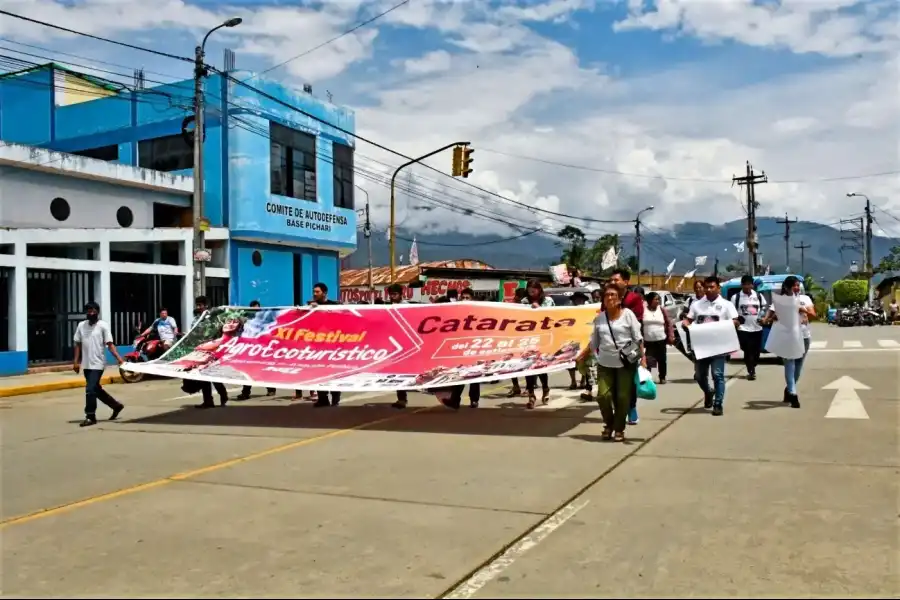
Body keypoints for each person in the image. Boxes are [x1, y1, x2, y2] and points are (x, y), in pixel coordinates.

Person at [587, 283, 645, 442]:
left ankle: (618, 429)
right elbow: (594, 342)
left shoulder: (628, 315)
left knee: (622, 397)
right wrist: (581, 355)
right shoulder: (599, 318)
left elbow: (638, 338)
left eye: (613, 295)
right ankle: (609, 424)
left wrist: (643, 360)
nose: (610, 298)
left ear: (619, 299)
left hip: (626, 364)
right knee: (603, 395)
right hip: (605, 363)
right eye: (607, 295)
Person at [682, 276, 739, 416]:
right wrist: (685, 324)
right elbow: (688, 320)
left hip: (719, 347)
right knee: (700, 376)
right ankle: (708, 392)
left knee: (717, 375)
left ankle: (718, 404)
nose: (708, 289)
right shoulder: (697, 305)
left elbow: (736, 321)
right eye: (706, 287)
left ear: (718, 288)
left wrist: (731, 325)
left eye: (712, 287)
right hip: (701, 347)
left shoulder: (727, 305)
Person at [762, 276, 815, 409]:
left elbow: (813, 314)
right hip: (787, 337)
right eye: (794, 285)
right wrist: (768, 319)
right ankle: (793, 393)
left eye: (798, 285)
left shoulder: (805, 299)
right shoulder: (780, 301)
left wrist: (802, 310)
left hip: (804, 336)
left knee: (798, 367)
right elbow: (771, 317)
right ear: (786, 287)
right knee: (789, 365)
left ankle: (789, 388)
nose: (796, 288)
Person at [74, 302, 126, 427]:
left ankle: (90, 416)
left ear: (97, 312)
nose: (91, 313)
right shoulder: (81, 326)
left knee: (90, 389)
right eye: (88, 311)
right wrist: (76, 362)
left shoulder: (103, 326)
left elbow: (110, 344)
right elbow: (77, 343)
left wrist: (119, 359)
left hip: (98, 363)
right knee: (95, 389)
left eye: (93, 311)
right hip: (86, 364)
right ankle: (116, 406)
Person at [608, 268, 643, 424]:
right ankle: (618, 409)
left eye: (616, 280)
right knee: (613, 382)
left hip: (630, 346)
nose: (613, 283)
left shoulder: (634, 299)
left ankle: (631, 407)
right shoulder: (608, 297)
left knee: (629, 380)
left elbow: (637, 321)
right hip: (610, 346)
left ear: (626, 282)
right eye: (611, 280)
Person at [521, 279, 554, 409]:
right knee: (528, 368)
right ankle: (531, 395)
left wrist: (539, 311)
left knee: (540, 367)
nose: (532, 292)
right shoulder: (523, 302)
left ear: (539, 289)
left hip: (543, 339)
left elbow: (553, 317)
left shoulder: (548, 301)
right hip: (528, 340)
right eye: (529, 290)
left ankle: (545, 388)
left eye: (534, 289)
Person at [309, 283, 343, 408]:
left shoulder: (335, 306)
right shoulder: (311, 307)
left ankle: (335, 398)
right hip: (318, 346)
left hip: (333, 346)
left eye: (317, 292)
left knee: (333, 373)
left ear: (324, 293)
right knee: (319, 372)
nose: (314, 294)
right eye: (314, 291)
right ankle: (323, 398)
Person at [192, 296, 229, 409]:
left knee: (213, 375)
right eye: (197, 305)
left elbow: (220, 330)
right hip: (201, 349)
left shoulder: (213, 317)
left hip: (213, 349)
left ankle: (223, 395)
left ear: (205, 305)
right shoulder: (198, 318)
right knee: (203, 377)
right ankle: (208, 401)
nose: (198, 307)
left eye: (200, 305)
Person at [237, 300, 276, 401]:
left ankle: (271, 388)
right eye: (254, 309)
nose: (256, 311)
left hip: (261, 349)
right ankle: (245, 393)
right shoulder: (247, 319)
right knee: (248, 371)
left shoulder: (264, 320)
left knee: (262, 370)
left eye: (257, 308)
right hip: (250, 349)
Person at [733, 275, 767, 381]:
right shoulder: (736, 297)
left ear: (752, 285)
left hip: (757, 328)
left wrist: (764, 318)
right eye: (745, 284)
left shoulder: (759, 296)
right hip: (743, 328)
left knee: (756, 351)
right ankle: (751, 370)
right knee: (747, 350)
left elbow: (765, 308)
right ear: (741, 285)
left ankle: (753, 365)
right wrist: (736, 320)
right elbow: (731, 311)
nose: (747, 286)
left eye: (749, 284)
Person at [385, 283, 412, 409]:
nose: (392, 297)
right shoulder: (389, 306)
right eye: (390, 294)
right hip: (394, 345)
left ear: (401, 294)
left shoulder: (406, 306)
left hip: (406, 344)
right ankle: (401, 398)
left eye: (394, 294)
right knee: (397, 373)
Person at [642, 292, 674, 384]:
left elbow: (668, 323)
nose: (658, 301)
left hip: (661, 339)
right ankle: (648, 378)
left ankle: (662, 377)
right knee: (648, 360)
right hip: (648, 340)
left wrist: (671, 335)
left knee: (662, 360)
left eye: (658, 299)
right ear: (649, 301)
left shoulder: (661, 310)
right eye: (656, 299)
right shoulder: (644, 310)